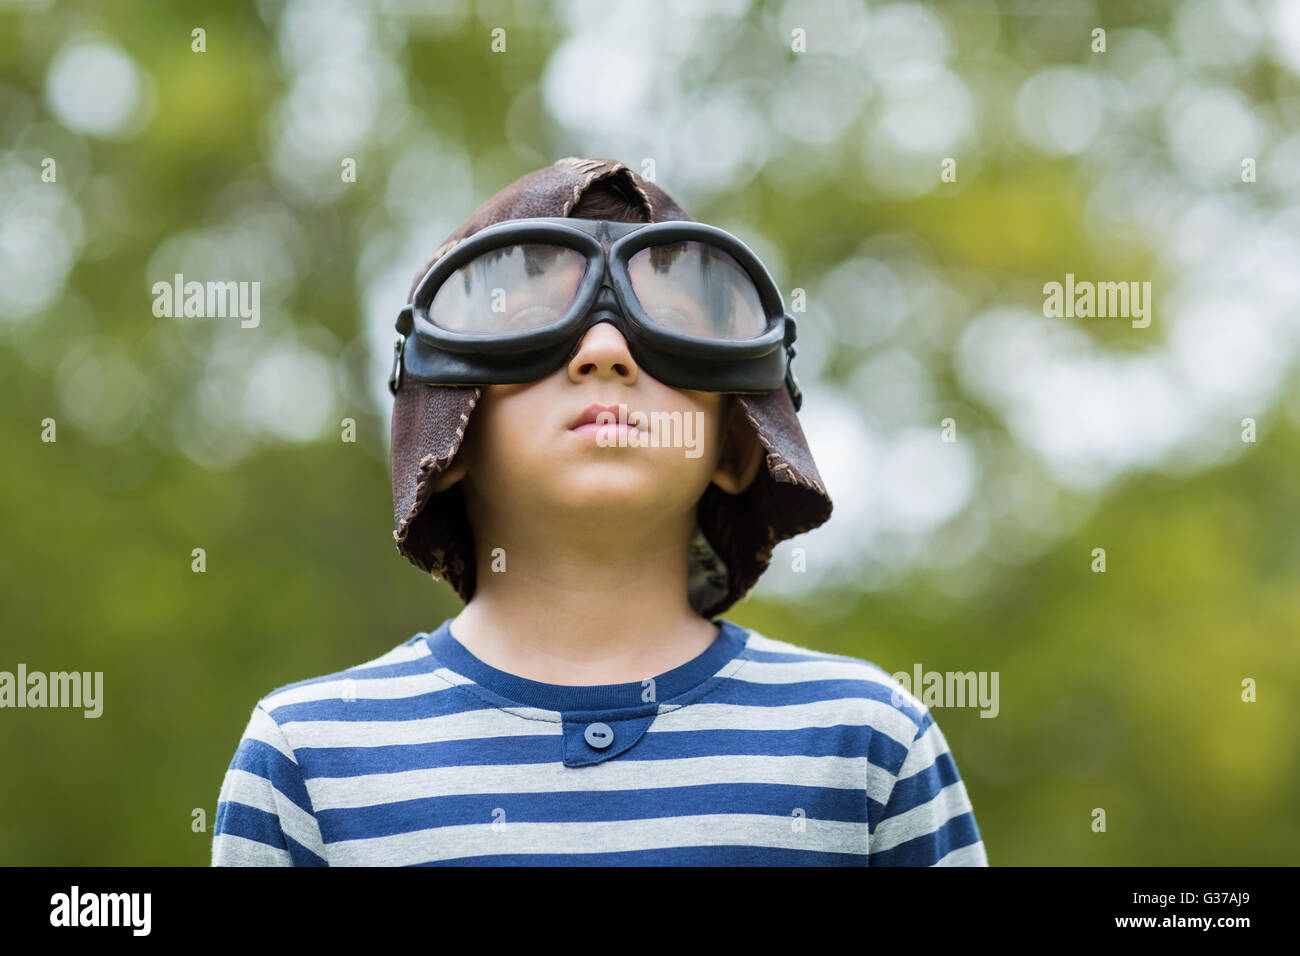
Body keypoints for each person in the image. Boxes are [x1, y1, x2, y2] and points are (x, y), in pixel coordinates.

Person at [210, 157, 989, 866]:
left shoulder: (865, 746)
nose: (606, 349)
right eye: (531, 316)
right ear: (446, 435)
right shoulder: (310, 762)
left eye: (673, 321)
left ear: (736, 447)